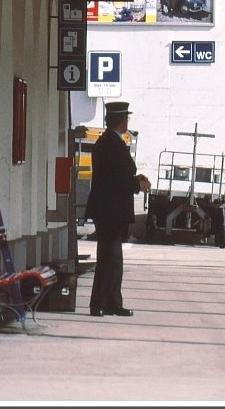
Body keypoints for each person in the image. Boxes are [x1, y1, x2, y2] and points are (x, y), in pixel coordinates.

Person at [84, 101, 151, 317]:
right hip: (110, 209)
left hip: (107, 209)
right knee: (109, 259)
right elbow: (116, 180)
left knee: (112, 258)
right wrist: (137, 184)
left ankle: (111, 301)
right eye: (126, 119)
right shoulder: (112, 144)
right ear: (122, 121)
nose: (127, 122)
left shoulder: (107, 142)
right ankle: (101, 303)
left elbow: (116, 175)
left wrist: (134, 179)